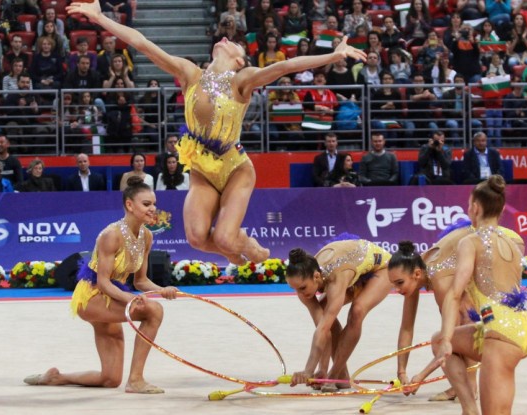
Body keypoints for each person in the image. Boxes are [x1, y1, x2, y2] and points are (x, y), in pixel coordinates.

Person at [68, 0, 366, 264]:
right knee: (196, 238)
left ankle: (249, 246)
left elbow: (285, 66)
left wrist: (332, 56)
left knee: (224, 237)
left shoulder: (241, 79)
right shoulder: (190, 74)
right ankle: (235, 249)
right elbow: (142, 43)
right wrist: (100, 18)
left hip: (235, 167)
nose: (225, 37)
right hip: (202, 169)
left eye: (233, 42)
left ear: (240, 60)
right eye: (223, 37)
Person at [23, 176, 180, 393]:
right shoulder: (111, 235)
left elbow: (140, 280)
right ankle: (136, 380)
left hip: (114, 297)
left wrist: (163, 290)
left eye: (154, 203)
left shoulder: (146, 236)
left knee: (110, 379)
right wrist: (130, 298)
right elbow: (103, 282)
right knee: (154, 311)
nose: (153, 208)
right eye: (146, 204)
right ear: (129, 205)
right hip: (92, 297)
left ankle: (55, 378)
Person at [413, 175, 527, 415]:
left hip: (500, 336)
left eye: (468, 205)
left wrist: (448, 339)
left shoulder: (471, 242)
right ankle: (469, 408)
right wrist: (444, 339)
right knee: (437, 339)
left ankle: (470, 409)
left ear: (474, 207)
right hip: (520, 330)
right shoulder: (513, 241)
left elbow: (454, 293)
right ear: (501, 209)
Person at [286, 239, 392, 391]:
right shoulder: (305, 281)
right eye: (294, 289)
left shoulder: (336, 278)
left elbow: (323, 329)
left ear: (316, 277)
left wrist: (308, 370)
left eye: (302, 288)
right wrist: (321, 369)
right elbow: (323, 329)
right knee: (325, 313)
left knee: (357, 311)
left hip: (382, 269)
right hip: (353, 271)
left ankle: (334, 374)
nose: (300, 294)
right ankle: (341, 377)